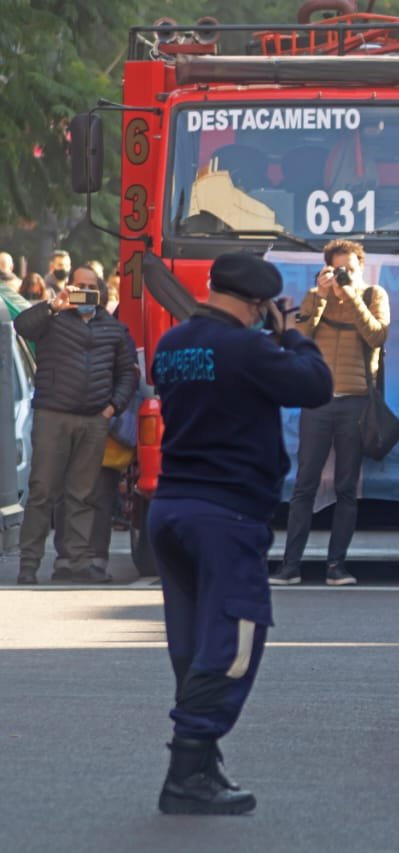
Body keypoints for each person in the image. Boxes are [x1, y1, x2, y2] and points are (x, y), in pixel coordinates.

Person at [149, 252, 332, 814]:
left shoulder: (172, 344)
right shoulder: (249, 346)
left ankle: (202, 765)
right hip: (224, 514)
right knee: (232, 641)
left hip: (171, 507)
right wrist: (295, 335)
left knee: (192, 643)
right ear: (257, 305)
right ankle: (187, 770)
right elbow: (316, 385)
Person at [269, 239, 389, 587]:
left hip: (355, 401)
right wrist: (319, 298)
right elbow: (297, 338)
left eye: (350, 268)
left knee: (346, 487)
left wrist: (350, 295)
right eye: (338, 269)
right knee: (304, 485)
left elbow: (378, 336)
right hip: (317, 401)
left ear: (360, 268)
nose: (344, 274)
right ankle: (290, 566)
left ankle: (337, 565)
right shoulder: (314, 296)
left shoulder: (372, 295)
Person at [13, 266, 138, 585]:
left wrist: (112, 407)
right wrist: (53, 305)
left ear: (100, 291)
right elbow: (21, 326)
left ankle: (76, 562)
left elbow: (127, 373)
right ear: (68, 287)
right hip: (52, 415)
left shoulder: (113, 329)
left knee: (82, 494)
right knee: (42, 491)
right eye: (77, 285)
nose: (83, 290)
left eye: (89, 286)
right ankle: (29, 563)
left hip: (94, 420)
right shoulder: (52, 321)